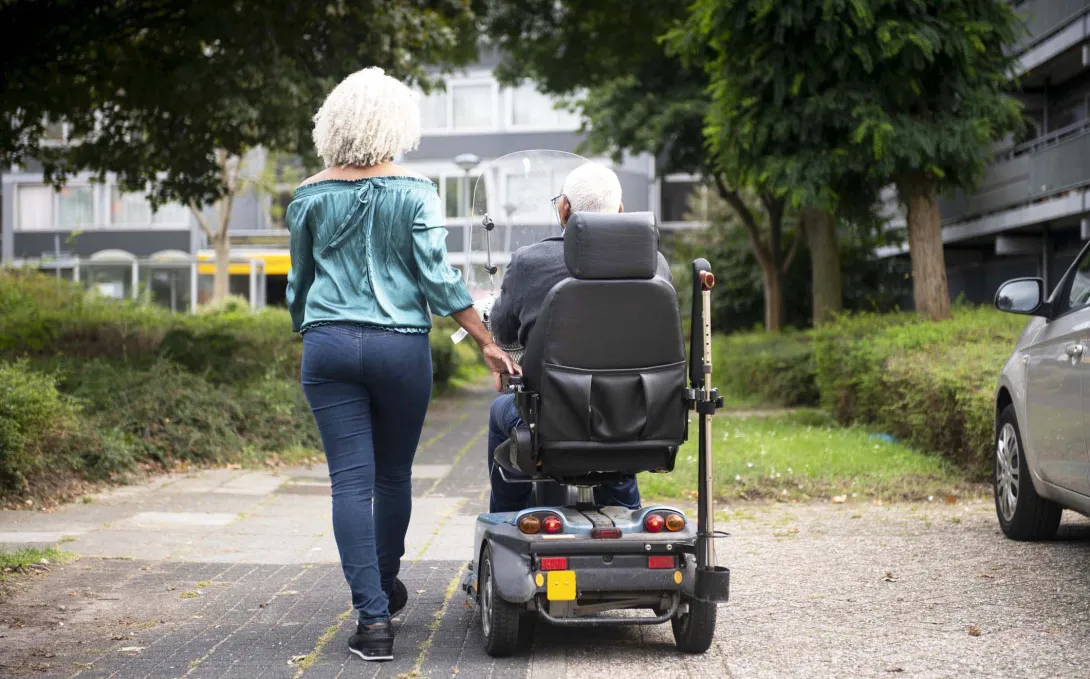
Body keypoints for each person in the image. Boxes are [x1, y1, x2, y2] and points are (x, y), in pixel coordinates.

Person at [286, 67, 518, 663]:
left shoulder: (308, 196)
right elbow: (437, 279)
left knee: (349, 482)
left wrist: (309, 330)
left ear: (334, 124)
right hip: (400, 348)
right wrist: (485, 338)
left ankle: (372, 621)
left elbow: (299, 283)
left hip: (329, 345)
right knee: (392, 477)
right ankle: (385, 592)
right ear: (396, 124)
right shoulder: (416, 192)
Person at [486, 162, 671, 513]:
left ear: (564, 208)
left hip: (552, 420)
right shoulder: (654, 264)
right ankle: (624, 514)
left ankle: (509, 519)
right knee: (616, 409)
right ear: (619, 211)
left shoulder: (529, 263)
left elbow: (504, 333)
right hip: (637, 417)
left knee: (501, 411)